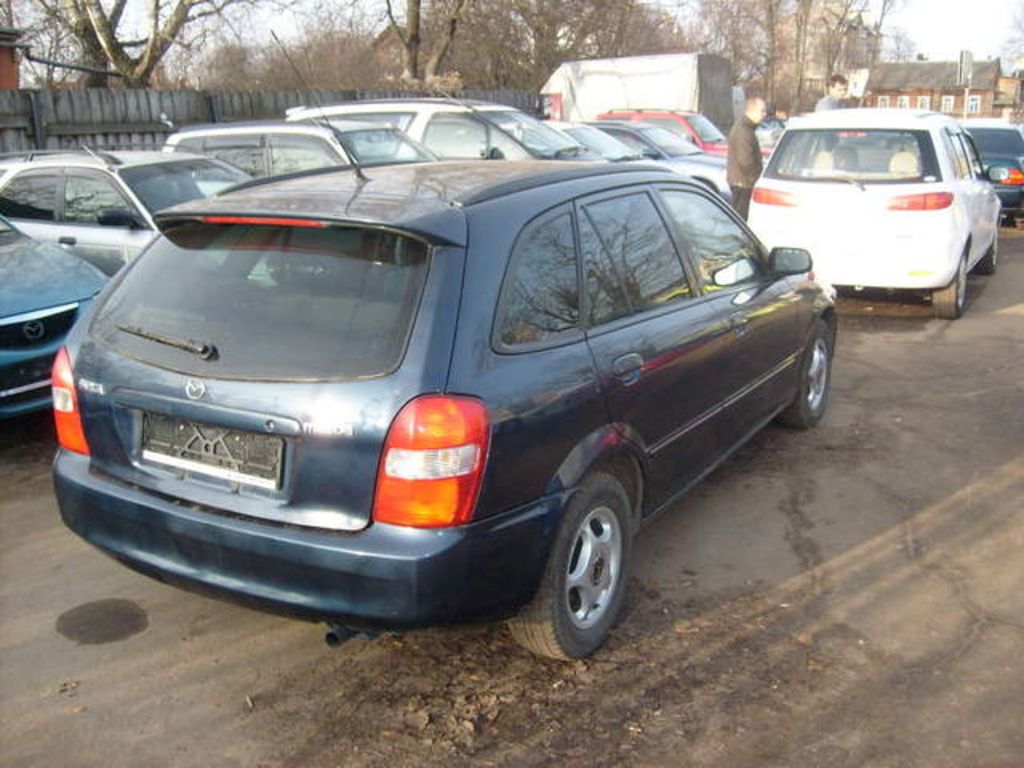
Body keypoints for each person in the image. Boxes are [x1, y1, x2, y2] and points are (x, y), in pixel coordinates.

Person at [727, 96, 766, 220]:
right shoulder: (744, 131)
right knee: (740, 219)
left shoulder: (746, 127)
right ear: (751, 111)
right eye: (762, 111)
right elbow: (746, 162)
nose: (764, 114)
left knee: (739, 218)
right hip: (742, 183)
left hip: (742, 180)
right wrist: (758, 178)